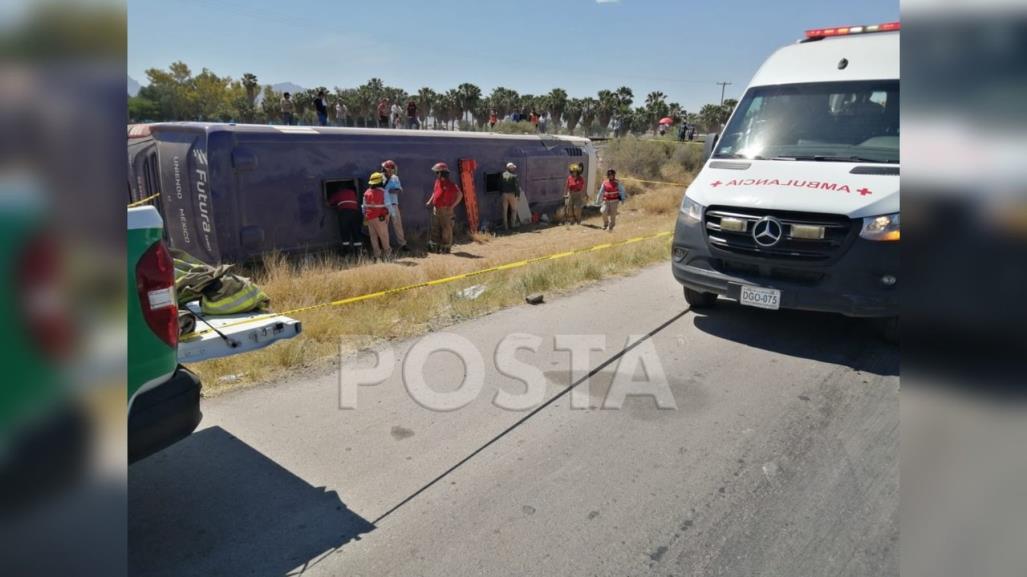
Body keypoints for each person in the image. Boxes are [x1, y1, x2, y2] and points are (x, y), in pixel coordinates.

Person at [426, 162, 463, 253]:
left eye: (437, 172)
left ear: (442, 173)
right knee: (435, 228)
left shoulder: (451, 185)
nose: (436, 174)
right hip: (436, 209)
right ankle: (435, 247)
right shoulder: (437, 182)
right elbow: (435, 192)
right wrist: (430, 201)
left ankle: (446, 247)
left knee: (446, 229)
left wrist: (452, 206)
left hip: (446, 211)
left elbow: (460, 195)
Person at [381, 159, 408, 251]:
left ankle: (402, 244)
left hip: (394, 204)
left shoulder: (395, 178)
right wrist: (388, 190)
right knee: (384, 226)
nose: (391, 170)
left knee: (398, 225)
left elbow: (399, 189)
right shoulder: (380, 177)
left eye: (392, 168)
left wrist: (393, 190)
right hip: (383, 205)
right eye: (389, 168)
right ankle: (385, 246)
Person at [327, 184, 362, 255]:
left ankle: (346, 252)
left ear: (339, 188)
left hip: (344, 214)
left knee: (345, 232)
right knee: (356, 232)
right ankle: (358, 253)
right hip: (355, 213)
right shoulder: (352, 192)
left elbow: (329, 203)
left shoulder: (337, 193)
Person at [363, 172, 391, 260]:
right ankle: (387, 254)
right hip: (380, 217)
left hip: (369, 217)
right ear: (380, 182)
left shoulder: (366, 192)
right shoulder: (383, 192)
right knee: (384, 236)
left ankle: (377, 255)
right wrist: (389, 216)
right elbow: (388, 205)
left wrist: (365, 216)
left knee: (373, 237)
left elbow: (363, 206)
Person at [499, 162, 523, 231]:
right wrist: (518, 195)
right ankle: (513, 225)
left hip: (504, 194)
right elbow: (516, 187)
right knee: (514, 210)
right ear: (511, 168)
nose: (513, 169)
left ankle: (505, 226)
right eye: (512, 168)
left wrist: (501, 193)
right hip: (512, 195)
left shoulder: (502, 175)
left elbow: (499, 185)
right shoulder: (514, 176)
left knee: (504, 210)